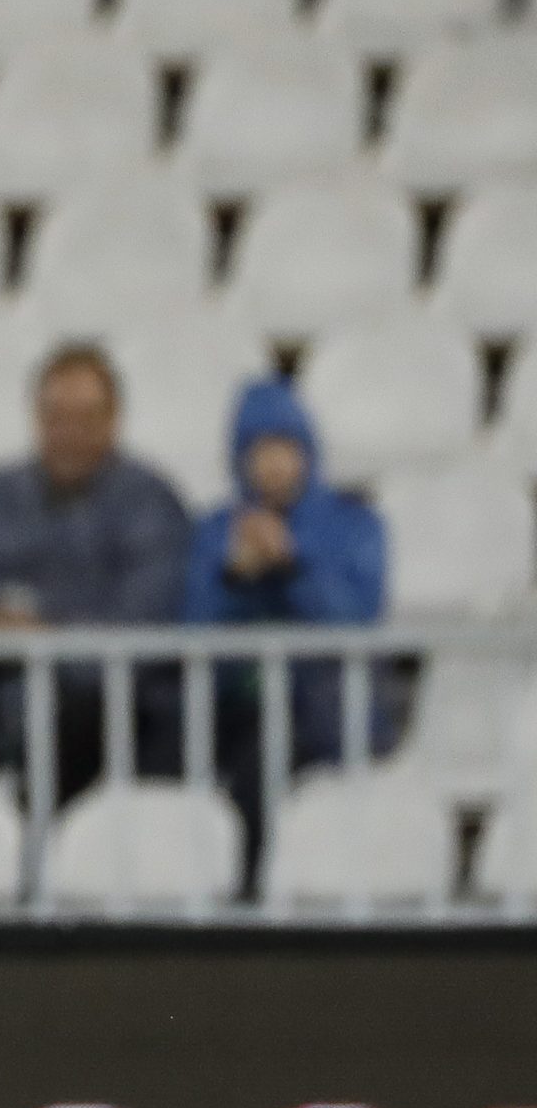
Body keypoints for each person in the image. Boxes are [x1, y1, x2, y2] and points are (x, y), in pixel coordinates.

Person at [0, 345, 194, 802]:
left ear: (114, 420)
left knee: (73, 736)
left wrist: (45, 638)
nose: (68, 433)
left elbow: (144, 630)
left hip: (110, 719)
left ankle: (24, 864)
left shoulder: (150, 506)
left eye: (85, 418)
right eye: (56, 416)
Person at [184, 378, 393, 894]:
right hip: (229, 705)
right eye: (260, 450)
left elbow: (356, 621)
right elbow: (188, 625)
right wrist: (235, 577)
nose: (273, 464)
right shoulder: (216, 530)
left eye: (285, 448)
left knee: (260, 763)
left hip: (321, 708)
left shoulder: (353, 524)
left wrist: (293, 566)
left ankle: (249, 897)